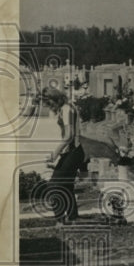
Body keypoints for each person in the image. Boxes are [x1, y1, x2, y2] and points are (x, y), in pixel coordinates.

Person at [41, 87, 86, 224]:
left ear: (55, 99)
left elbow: (69, 135)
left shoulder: (66, 109)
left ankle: (61, 220)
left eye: (49, 103)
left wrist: (55, 154)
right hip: (75, 151)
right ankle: (73, 217)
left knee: (53, 186)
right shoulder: (66, 108)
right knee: (66, 185)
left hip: (74, 151)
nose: (49, 107)